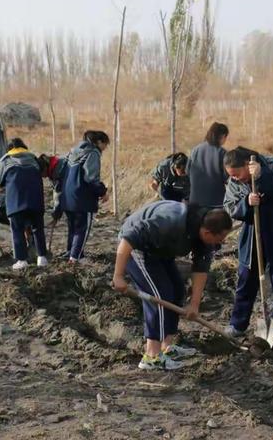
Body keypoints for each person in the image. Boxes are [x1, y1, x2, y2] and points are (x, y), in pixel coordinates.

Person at [112, 201, 232, 370]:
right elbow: (128, 239)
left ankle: (166, 347)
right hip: (137, 248)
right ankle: (151, 357)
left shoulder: (203, 236)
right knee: (159, 297)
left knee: (176, 291)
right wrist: (118, 276)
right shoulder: (170, 222)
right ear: (207, 232)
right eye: (219, 238)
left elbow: (201, 269)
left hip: (161, 250)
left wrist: (194, 305)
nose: (220, 243)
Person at [223, 147, 273, 346]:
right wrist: (247, 203)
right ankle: (238, 324)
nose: (235, 179)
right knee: (246, 278)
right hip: (252, 233)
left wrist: (263, 178)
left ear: (247, 167)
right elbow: (230, 207)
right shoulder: (234, 181)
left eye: (237, 174)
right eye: (231, 176)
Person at [0, 138, 47, 270]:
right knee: (38, 228)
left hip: (16, 201)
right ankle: (42, 258)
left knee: (17, 230)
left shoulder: (6, 160)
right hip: (36, 200)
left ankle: (22, 260)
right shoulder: (33, 159)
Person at [60, 131, 109, 263]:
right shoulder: (92, 153)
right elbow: (91, 178)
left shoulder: (72, 152)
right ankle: (76, 257)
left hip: (67, 196)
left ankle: (70, 252)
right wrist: (102, 191)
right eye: (105, 144)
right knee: (82, 228)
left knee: (73, 227)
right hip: (82, 197)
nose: (105, 147)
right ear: (99, 142)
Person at [187, 122, 229, 208]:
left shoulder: (195, 150)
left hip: (195, 200)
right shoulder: (222, 153)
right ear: (222, 136)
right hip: (215, 201)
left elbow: (188, 171)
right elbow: (227, 176)